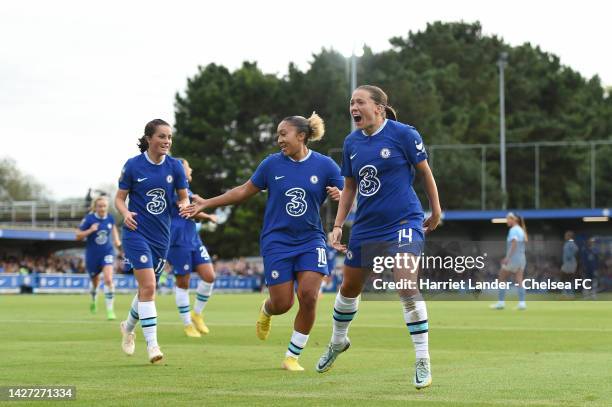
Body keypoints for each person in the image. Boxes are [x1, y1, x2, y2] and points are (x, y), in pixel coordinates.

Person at [183, 112, 343, 371]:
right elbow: (243, 191)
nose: (279, 139)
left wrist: (341, 193)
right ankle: (267, 310)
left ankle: (292, 356)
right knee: (283, 303)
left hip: (311, 239)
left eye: (283, 134)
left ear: (301, 136)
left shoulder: (325, 166)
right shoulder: (271, 165)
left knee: (309, 295)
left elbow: (351, 193)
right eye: (278, 134)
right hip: (276, 240)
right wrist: (207, 202)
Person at [315, 85, 441, 390]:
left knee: (405, 284)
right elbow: (348, 187)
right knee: (348, 289)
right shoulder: (351, 142)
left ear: (379, 108)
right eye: (351, 103)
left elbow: (425, 173)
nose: (353, 108)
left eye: (360, 102)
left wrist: (436, 210)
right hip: (366, 227)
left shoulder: (404, 134)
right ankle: (337, 341)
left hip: (404, 221)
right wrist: (338, 226)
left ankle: (423, 359)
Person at [115, 119, 189, 363]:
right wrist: (125, 214)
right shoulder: (133, 166)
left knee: (145, 289)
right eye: (162, 136)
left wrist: (184, 206)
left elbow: (183, 198)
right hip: (136, 233)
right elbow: (119, 199)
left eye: (169, 137)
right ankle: (153, 346)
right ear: (149, 139)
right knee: (149, 287)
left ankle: (127, 327)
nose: (167, 141)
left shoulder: (175, 167)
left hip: (161, 237)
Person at [167, 158, 217, 338]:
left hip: (193, 239)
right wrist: (208, 215)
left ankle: (197, 314)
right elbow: (187, 207)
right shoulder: (173, 188)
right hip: (178, 241)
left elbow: (193, 202)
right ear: (181, 170)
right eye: (189, 167)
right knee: (183, 283)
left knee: (210, 276)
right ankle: (187, 324)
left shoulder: (186, 189)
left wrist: (201, 204)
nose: (192, 169)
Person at [76, 195, 121, 319]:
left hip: (107, 252)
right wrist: (90, 230)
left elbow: (114, 230)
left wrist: (118, 242)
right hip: (92, 255)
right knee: (95, 282)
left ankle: (110, 311)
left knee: (108, 279)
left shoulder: (110, 219)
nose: (102, 208)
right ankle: (94, 298)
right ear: (95, 207)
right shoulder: (89, 219)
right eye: (100, 206)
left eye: (104, 206)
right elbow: (78, 235)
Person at [490, 212, 528, 310]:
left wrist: (507, 257)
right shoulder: (521, 230)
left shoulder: (513, 230)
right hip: (521, 258)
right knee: (519, 281)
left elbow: (514, 244)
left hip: (513, 259)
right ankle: (522, 303)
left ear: (514, 219)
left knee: (501, 279)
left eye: (508, 219)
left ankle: (501, 303)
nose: (507, 220)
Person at [560, 230, 579, 298]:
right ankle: (568, 293)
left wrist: (569, 256)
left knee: (564, 277)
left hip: (570, 263)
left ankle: (567, 293)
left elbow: (576, 249)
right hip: (567, 263)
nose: (565, 237)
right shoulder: (568, 243)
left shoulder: (571, 242)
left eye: (566, 235)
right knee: (566, 278)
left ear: (569, 236)